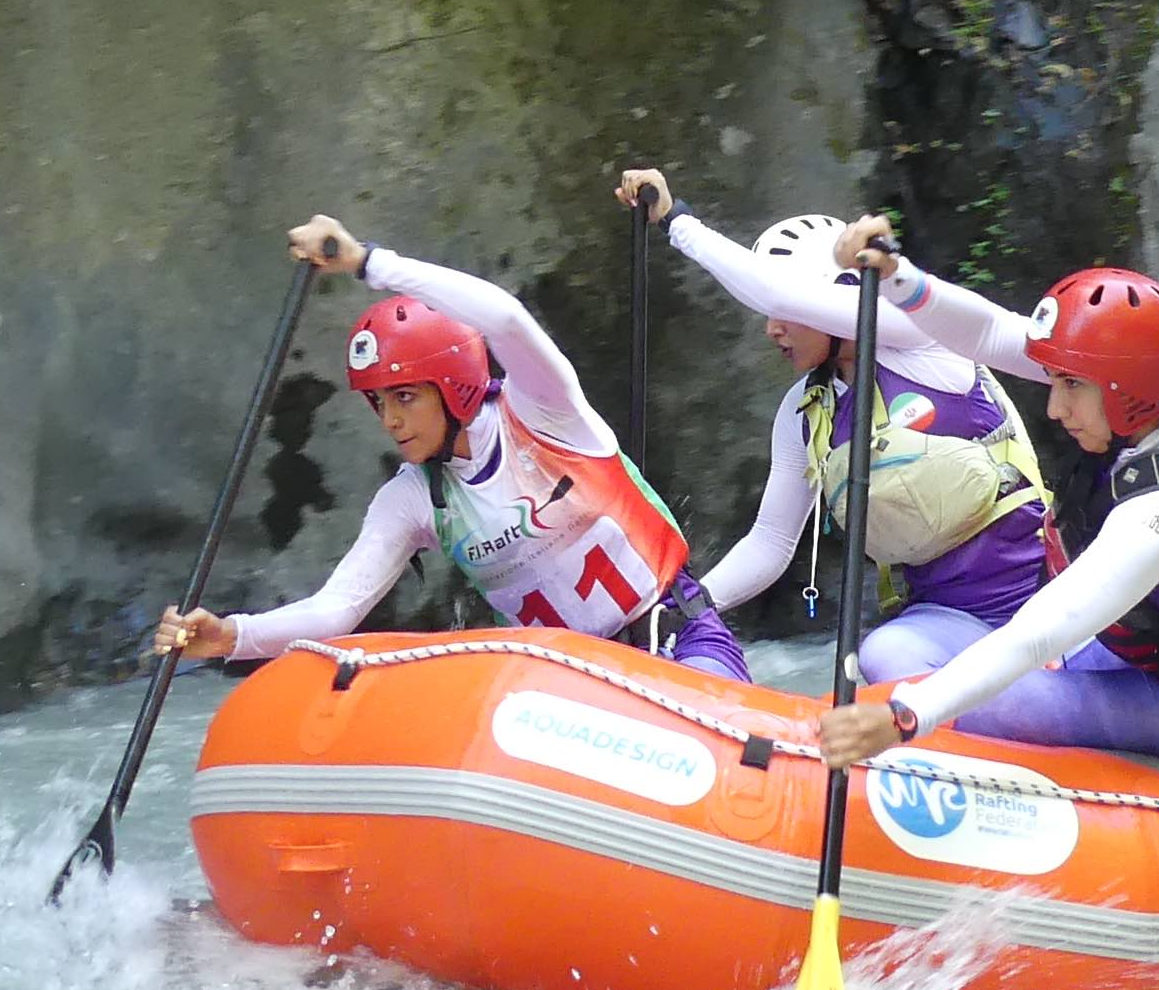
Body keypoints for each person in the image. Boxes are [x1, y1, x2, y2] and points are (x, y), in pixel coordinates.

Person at [800, 220, 1159, 780]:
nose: (1053, 407)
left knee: (968, 703)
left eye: (1070, 386)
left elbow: (1043, 627)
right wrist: (898, 276)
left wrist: (904, 718)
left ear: (1123, 391)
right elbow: (990, 332)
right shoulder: (1157, 394)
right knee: (899, 660)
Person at [150, 215, 750, 680]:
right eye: (379, 402)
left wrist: (366, 261)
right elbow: (338, 609)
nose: (389, 419)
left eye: (405, 396)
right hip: (572, 692)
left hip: (677, 642)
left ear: (453, 382)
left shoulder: (543, 412)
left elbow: (507, 320)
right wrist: (230, 636)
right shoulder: (412, 500)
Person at [612, 168, 1053, 686]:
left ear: (834, 298)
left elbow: (777, 292)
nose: (771, 326)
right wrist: (685, 609)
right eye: (771, 312)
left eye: (785, 310)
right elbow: (772, 541)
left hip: (1044, 600)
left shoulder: (919, 339)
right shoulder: (804, 411)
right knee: (883, 657)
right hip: (946, 623)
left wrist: (676, 221)